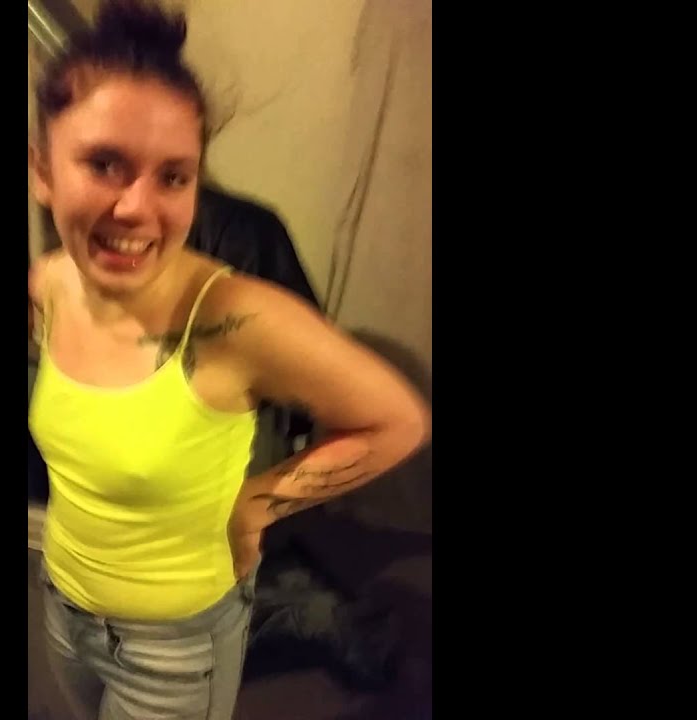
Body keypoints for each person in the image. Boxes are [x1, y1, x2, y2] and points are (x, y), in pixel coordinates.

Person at [27, 2, 430, 718]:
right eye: (105, 164)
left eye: (172, 177)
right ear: (42, 171)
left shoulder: (231, 319)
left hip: (172, 649)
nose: (137, 208)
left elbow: (396, 421)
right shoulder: (51, 283)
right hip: (62, 609)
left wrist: (257, 505)